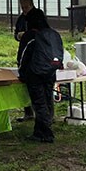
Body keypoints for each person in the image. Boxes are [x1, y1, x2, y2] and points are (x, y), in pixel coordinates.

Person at [17, 8, 62, 143]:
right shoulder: (53, 34)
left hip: (35, 73)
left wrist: (22, 73)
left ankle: (46, 133)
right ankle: (39, 131)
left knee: (39, 103)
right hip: (50, 72)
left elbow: (22, 57)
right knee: (47, 99)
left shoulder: (30, 35)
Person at [15, 0, 36, 122]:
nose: (24, 10)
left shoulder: (38, 16)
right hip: (23, 52)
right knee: (24, 85)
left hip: (37, 53)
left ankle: (43, 114)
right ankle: (28, 112)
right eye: (22, 7)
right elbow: (16, 34)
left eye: (26, 7)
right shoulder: (21, 19)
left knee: (38, 87)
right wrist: (19, 35)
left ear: (31, 5)